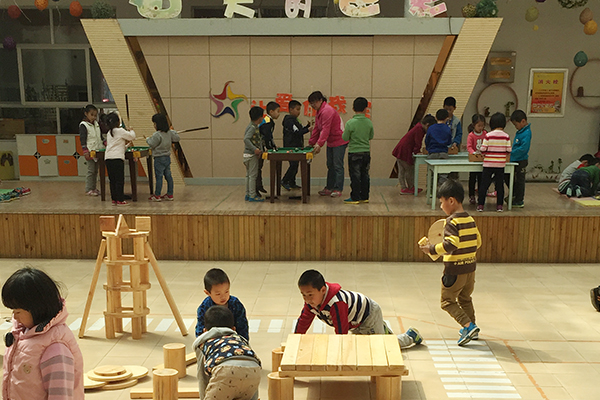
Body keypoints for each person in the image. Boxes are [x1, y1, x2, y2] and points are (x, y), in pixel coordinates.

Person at [2, 267, 84, 399]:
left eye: (18, 312)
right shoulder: (22, 333)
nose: (15, 317)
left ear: (36, 309)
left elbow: (60, 395)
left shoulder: (56, 348)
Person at [419, 180, 482, 346]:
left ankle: (468, 326)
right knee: (465, 298)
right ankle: (473, 329)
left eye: (442, 202)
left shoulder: (451, 222)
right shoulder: (470, 219)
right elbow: (478, 242)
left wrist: (431, 249)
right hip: (470, 269)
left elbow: (451, 244)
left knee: (447, 301)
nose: (441, 207)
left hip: (454, 270)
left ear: (451, 201)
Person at [295, 269, 423, 348]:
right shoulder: (311, 303)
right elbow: (303, 321)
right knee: (362, 347)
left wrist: (339, 352)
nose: (307, 299)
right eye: (303, 295)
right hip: (355, 322)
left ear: (323, 290)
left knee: (381, 348)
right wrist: (295, 342)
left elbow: (341, 331)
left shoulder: (336, 303)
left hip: (369, 316)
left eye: (310, 295)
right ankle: (381, 330)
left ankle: (410, 336)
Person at [193, 306, 261, 400]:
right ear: (233, 329)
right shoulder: (240, 339)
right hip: (254, 370)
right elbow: (251, 359)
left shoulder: (204, 343)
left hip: (225, 370)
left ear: (205, 331)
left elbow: (203, 378)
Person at [308, 91, 348, 198]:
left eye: (314, 102)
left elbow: (326, 129)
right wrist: (311, 143)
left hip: (339, 140)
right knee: (330, 165)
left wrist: (319, 144)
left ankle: (338, 189)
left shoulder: (327, 111)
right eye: (311, 103)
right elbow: (317, 128)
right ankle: (329, 188)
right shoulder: (319, 111)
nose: (312, 105)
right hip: (331, 141)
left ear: (321, 100)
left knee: (337, 165)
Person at [195, 268, 249, 341]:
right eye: (218, 294)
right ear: (207, 293)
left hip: (233, 340)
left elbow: (242, 327)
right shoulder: (204, 307)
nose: (223, 297)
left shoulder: (236, 305)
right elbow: (200, 330)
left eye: (226, 292)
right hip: (212, 342)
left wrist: (243, 342)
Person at [392, 114, 436, 195]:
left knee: (402, 170)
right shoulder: (419, 129)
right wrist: (417, 151)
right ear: (427, 125)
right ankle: (410, 187)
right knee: (409, 169)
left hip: (401, 149)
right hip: (405, 151)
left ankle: (404, 187)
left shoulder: (418, 126)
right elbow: (417, 142)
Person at [341, 97, 374, 204]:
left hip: (354, 152)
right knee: (365, 174)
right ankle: (365, 196)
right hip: (366, 152)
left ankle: (355, 197)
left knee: (355, 176)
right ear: (366, 109)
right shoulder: (369, 122)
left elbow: (345, 138)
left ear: (353, 108)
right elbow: (371, 136)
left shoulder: (350, 123)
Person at [477, 112, 511, 212]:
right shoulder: (506, 136)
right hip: (500, 165)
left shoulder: (488, 135)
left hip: (488, 164)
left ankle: (480, 205)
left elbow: (483, 149)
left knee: (484, 185)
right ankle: (499, 206)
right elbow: (509, 150)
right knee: (499, 185)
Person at [146, 113, 180, 202]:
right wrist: (173, 132)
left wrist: (147, 139)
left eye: (154, 123)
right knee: (168, 176)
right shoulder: (170, 133)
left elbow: (152, 144)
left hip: (158, 158)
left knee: (159, 177)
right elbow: (177, 138)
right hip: (167, 157)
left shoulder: (157, 134)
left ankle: (157, 195)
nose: (154, 125)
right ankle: (170, 194)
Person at [105, 112, 136, 206]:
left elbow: (116, 145)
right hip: (117, 159)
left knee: (112, 180)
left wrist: (126, 146)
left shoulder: (109, 133)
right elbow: (132, 136)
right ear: (118, 122)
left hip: (108, 158)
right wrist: (131, 130)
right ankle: (120, 200)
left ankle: (114, 199)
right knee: (119, 180)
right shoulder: (120, 131)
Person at [281, 100, 311, 190]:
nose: (299, 112)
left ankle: (292, 182)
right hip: (291, 146)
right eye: (297, 109)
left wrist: (306, 127)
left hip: (297, 146)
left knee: (295, 165)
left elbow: (299, 130)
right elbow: (297, 132)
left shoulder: (295, 120)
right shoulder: (289, 121)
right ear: (291, 109)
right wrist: (308, 129)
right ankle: (285, 180)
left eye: (299, 109)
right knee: (293, 165)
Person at [506, 110, 532, 208]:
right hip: (514, 159)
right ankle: (514, 194)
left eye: (516, 125)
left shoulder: (527, 133)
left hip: (521, 160)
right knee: (509, 177)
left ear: (523, 121)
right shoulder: (520, 132)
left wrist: (511, 153)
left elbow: (523, 148)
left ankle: (519, 200)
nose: (515, 127)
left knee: (520, 180)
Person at [79, 104, 104, 197]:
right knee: (91, 171)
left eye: (95, 115)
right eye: (92, 115)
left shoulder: (96, 124)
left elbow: (100, 137)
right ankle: (89, 189)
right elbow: (83, 139)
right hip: (90, 151)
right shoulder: (83, 125)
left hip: (98, 150)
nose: (93, 117)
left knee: (95, 171)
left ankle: (93, 188)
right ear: (86, 114)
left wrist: (105, 143)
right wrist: (85, 151)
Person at [256, 102, 280, 195]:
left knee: (259, 167)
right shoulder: (267, 122)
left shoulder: (268, 120)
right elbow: (267, 136)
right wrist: (270, 147)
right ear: (271, 111)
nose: (279, 114)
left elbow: (270, 137)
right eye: (278, 111)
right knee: (257, 168)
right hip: (258, 147)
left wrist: (273, 145)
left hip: (261, 146)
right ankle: (256, 188)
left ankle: (259, 186)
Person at [244, 106, 265, 202]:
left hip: (247, 154)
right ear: (260, 117)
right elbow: (246, 139)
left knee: (248, 175)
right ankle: (252, 195)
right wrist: (255, 149)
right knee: (253, 176)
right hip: (251, 155)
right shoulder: (252, 128)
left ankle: (248, 194)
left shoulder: (252, 126)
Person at [466, 114, 487, 204]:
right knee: (472, 178)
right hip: (474, 159)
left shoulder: (485, 134)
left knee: (481, 179)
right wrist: (474, 153)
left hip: (482, 160)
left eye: (482, 125)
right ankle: (471, 195)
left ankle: (480, 195)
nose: (481, 128)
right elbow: (469, 146)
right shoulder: (471, 135)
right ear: (474, 125)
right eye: (479, 126)